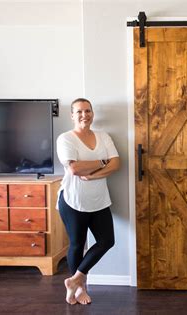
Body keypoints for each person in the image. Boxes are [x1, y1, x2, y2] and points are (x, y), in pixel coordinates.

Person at [56, 98, 120, 305]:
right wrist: (102, 162)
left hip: (99, 199)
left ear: (93, 113)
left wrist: (92, 172)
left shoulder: (103, 136)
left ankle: (74, 280)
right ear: (72, 115)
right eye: (80, 112)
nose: (85, 115)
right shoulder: (65, 139)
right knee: (77, 244)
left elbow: (116, 163)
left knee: (107, 241)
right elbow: (74, 169)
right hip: (73, 200)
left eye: (88, 111)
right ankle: (78, 291)